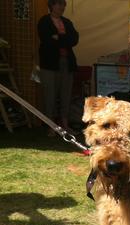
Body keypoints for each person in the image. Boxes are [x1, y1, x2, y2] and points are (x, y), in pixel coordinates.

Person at [38, 0, 79, 136]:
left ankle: (65, 125)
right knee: (50, 95)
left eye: (63, 5)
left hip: (67, 62)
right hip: (50, 64)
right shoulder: (44, 21)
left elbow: (74, 39)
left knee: (65, 94)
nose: (62, 7)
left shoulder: (67, 22)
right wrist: (64, 39)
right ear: (52, 6)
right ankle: (51, 126)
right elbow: (47, 41)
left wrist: (58, 38)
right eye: (59, 4)